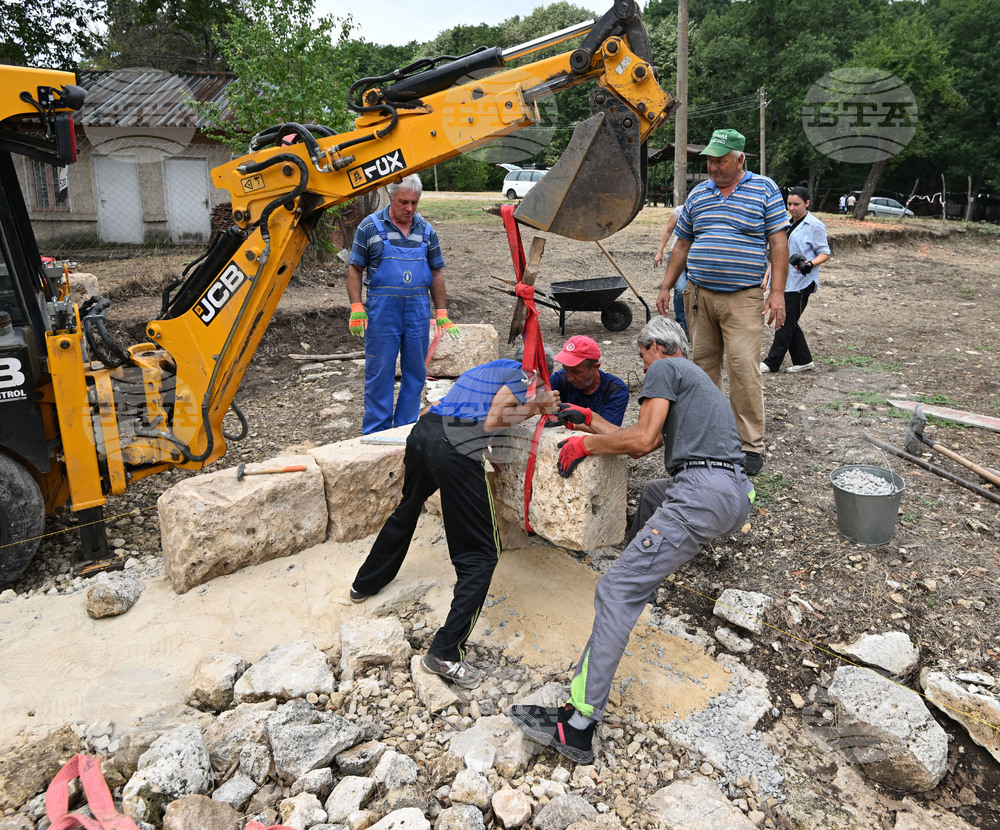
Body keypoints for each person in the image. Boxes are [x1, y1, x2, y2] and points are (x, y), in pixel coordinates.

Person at [508, 317, 754, 763]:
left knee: (616, 590)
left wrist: (584, 446)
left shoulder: (666, 368)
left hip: (702, 493)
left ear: (656, 347)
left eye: (642, 358)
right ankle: (645, 580)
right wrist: (589, 421)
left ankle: (578, 723)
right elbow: (652, 439)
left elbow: (640, 442)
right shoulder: (695, 379)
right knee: (656, 494)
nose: (643, 369)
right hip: (733, 492)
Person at [349, 355, 559, 688]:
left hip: (423, 434)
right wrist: (537, 406)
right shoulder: (522, 376)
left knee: (408, 507)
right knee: (482, 555)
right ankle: (445, 652)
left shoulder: (485, 369)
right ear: (536, 372)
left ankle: (364, 583)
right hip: (453, 449)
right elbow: (491, 420)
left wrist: (489, 454)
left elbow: (463, 410)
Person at [654, 128, 788, 477]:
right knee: (701, 367)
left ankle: (749, 444)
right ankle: (709, 434)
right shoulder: (700, 194)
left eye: (721, 160)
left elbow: (778, 243)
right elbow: (681, 244)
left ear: (740, 158)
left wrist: (776, 293)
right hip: (699, 294)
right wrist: (667, 286)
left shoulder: (764, 189)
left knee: (743, 368)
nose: (714, 166)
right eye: (711, 160)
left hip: (743, 297)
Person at [347, 174, 460, 435]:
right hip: (382, 310)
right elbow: (355, 268)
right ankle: (377, 431)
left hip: (418, 310)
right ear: (390, 197)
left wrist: (441, 311)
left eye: (414, 203)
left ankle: (406, 428)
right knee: (380, 371)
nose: (409, 208)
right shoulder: (369, 227)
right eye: (403, 202)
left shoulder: (427, 231)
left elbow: (436, 272)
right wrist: (356, 306)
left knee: (415, 372)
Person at [761, 186, 831, 375]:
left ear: (807, 203)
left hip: (801, 282)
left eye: (796, 204)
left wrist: (810, 263)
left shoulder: (814, 225)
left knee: (784, 321)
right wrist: (767, 277)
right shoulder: (785, 224)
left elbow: (825, 252)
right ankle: (803, 360)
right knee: (790, 320)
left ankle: (771, 362)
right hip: (783, 281)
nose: (792, 208)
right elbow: (778, 254)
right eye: (789, 204)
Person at [547, 335, 629, 430]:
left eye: (576, 372)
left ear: (595, 368)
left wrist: (570, 423)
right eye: (566, 370)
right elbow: (536, 402)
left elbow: (609, 430)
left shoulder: (615, 390)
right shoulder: (559, 379)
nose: (569, 378)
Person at [652, 206, 688, 335]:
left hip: (698, 254)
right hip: (678, 254)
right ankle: (681, 323)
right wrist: (659, 252)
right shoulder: (678, 211)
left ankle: (693, 323)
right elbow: (667, 231)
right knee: (680, 288)